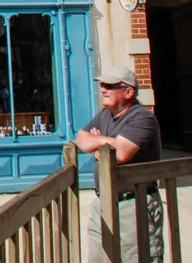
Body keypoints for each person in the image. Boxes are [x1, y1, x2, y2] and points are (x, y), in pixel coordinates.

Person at [75, 66, 164, 263]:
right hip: (103, 202)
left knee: (136, 258)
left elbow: (121, 154)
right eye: (102, 85)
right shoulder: (104, 115)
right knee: (97, 259)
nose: (103, 90)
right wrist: (105, 145)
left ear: (128, 92)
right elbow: (81, 138)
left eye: (109, 86)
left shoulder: (142, 118)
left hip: (134, 204)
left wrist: (97, 145)